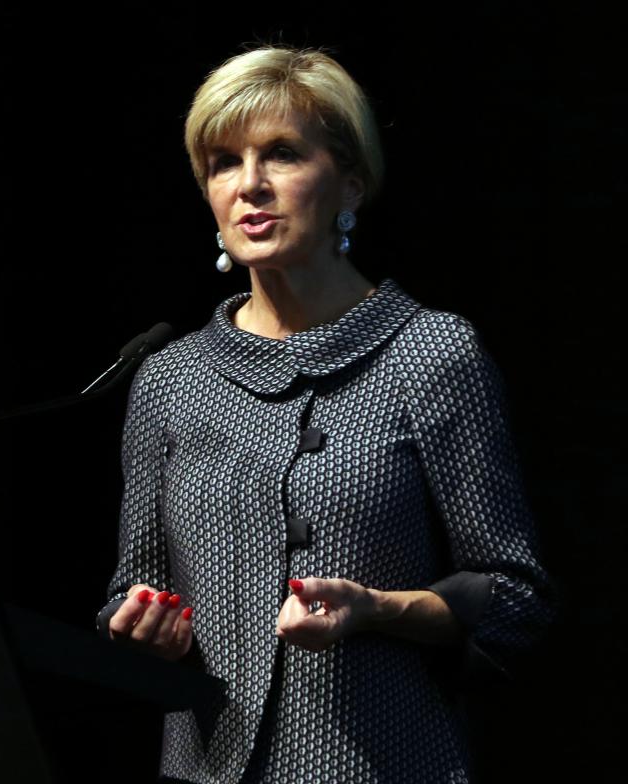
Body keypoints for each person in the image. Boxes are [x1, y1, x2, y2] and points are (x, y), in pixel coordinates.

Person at [94, 44, 557, 784]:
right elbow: (133, 585)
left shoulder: (431, 353)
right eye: (223, 162)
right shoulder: (168, 379)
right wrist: (141, 624)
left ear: (350, 181)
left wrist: (378, 609)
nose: (250, 185)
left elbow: (516, 599)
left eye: (281, 154)